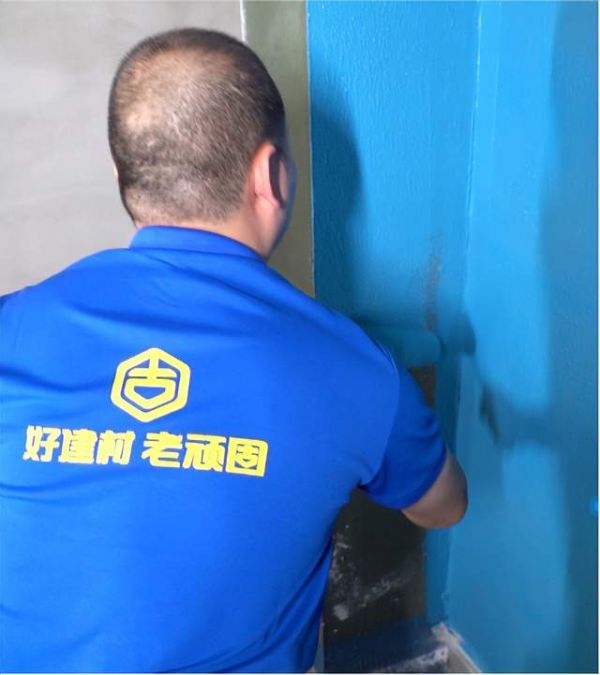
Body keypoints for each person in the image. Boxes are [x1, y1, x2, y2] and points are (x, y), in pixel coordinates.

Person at [0, 28, 467, 673]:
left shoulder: (12, 325)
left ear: (123, 177)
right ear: (270, 174)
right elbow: (444, 505)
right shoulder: (355, 369)